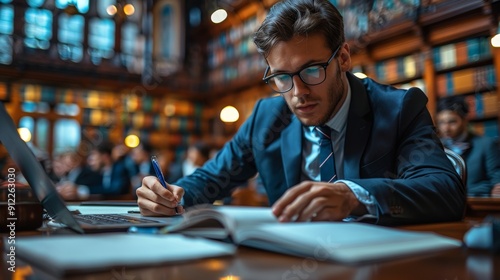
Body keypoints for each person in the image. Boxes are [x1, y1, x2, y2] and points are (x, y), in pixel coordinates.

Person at [137, 0, 465, 225]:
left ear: (344, 58)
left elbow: (445, 191)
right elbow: (210, 179)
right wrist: (171, 195)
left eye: (311, 71)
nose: (297, 93)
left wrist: (355, 196)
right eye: (281, 76)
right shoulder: (267, 117)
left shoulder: (398, 109)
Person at [436, 96, 500, 197]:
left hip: (477, 207)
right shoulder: (436, 147)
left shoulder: (486, 144)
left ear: (465, 119)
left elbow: (496, 183)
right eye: (441, 122)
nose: (446, 128)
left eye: (452, 121)